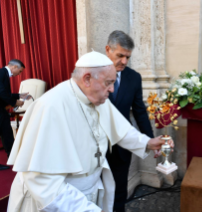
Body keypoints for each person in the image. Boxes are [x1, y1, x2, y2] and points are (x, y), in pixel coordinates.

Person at [7, 51, 173, 212]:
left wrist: (148, 143)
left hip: (89, 194)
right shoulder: (50, 106)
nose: (112, 90)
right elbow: (43, 182)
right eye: (108, 83)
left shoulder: (97, 98)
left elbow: (121, 129)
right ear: (87, 79)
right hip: (59, 203)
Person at [105, 31, 155, 212]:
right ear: (108, 50)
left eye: (127, 57)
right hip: (97, 146)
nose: (124, 61)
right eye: (120, 56)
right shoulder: (93, 74)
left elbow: (140, 111)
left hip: (122, 146)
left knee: (119, 190)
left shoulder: (134, 77)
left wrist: (150, 140)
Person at [0, 59, 30, 170]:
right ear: (14, 67)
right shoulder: (1, 73)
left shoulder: (4, 73)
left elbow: (5, 93)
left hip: (2, 110)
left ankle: (12, 158)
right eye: (20, 71)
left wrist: (19, 95)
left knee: (7, 133)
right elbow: (1, 92)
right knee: (5, 132)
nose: (19, 74)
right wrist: (15, 102)